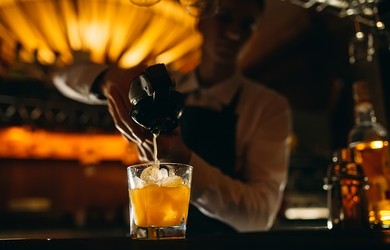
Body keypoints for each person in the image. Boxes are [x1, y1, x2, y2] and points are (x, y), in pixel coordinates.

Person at [52, 0, 292, 235]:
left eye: (247, 24)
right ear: (201, 19)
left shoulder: (268, 106)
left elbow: (260, 217)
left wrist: (184, 161)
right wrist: (108, 80)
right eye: (224, 16)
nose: (232, 33)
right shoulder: (161, 89)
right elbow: (62, 78)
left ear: (255, 34)